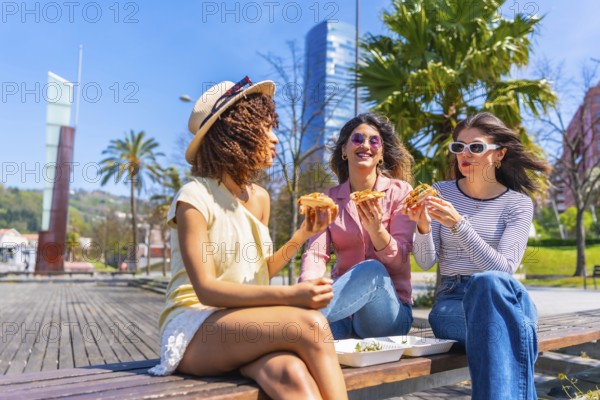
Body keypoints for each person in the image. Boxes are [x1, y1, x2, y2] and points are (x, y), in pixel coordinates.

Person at [148, 77, 348, 400]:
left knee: (291, 374)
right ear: (235, 133)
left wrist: (303, 235)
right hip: (195, 328)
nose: (275, 139)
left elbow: (260, 272)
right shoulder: (194, 197)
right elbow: (207, 289)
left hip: (240, 326)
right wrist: (293, 296)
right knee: (311, 326)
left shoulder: (260, 199)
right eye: (266, 129)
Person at [404, 112, 549, 399]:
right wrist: (422, 226)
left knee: (489, 284)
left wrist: (458, 224)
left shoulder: (518, 203)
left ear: (499, 154)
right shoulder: (439, 192)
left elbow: (504, 270)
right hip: (453, 301)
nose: (465, 154)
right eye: (458, 147)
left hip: (505, 297)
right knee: (509, 331)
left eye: (476, 147)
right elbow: (425, 261)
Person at [300, 113, 416, 339]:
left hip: (388, 316)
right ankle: (300, 322)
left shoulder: (400, 192)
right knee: (309, 340)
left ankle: (295, 321)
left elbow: (401, 259)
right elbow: (315, 253)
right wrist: (307, 287)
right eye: (357, 139)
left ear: (381, 153)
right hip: (341, 315)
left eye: (374, 141)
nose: (366, 145)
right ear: (344, 150)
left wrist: (377, 231)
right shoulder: (327, 200)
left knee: (372, 269)